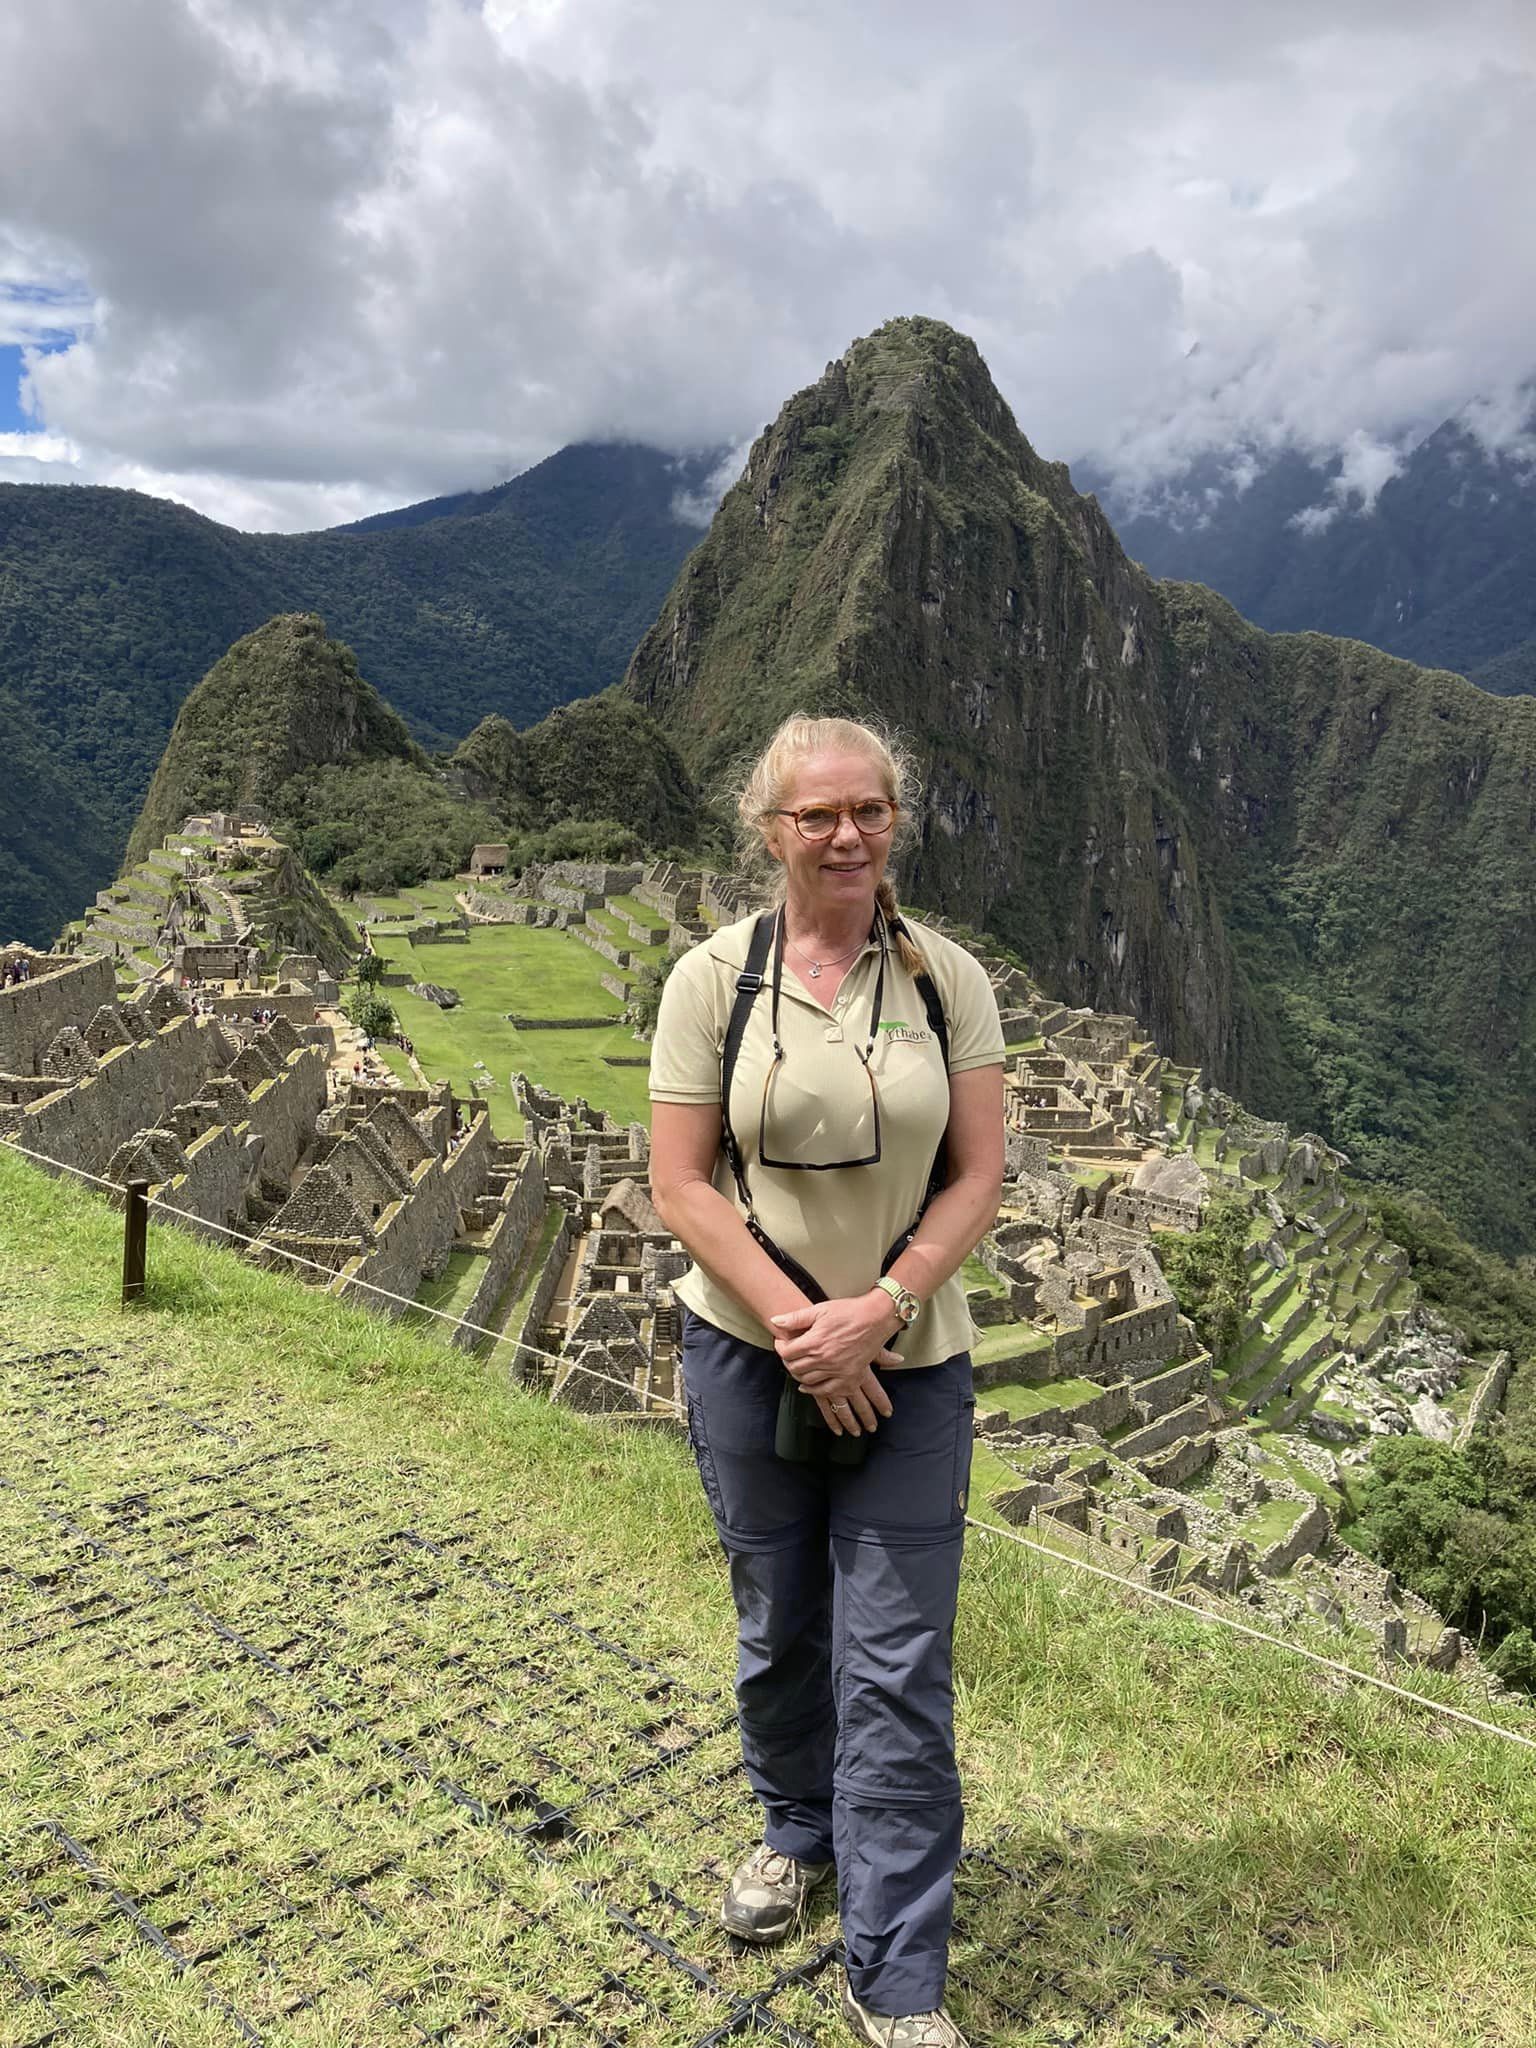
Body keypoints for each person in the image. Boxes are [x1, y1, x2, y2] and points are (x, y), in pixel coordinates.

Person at [649, 714, 1004, 2048]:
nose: (847, 834)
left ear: (894, 821)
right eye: (819, 816)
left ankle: (898, 1971)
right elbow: (679, 1180)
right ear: (770, 830)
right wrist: (809, 1326)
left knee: (899, 1662)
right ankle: (795, 1830)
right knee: (778, 1620)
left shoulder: (946, 980)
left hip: (916, 1363)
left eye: (869, 811)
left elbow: (980, 1172)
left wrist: (885, 1312)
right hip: (751, 1355)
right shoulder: (711, 981)